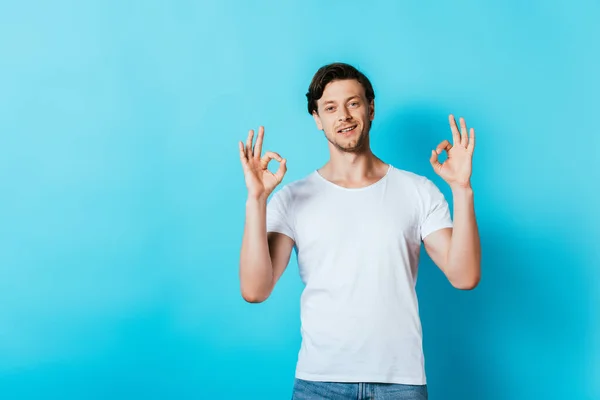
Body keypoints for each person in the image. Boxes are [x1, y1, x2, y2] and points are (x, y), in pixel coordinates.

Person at [238, 62, 481, 400]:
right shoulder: (292, 198)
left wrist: (462, 189)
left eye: (353, 103)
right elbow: (255, 289)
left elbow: (464, 276)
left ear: (371, 108)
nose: (344, 116)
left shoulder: (418, 191)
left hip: (401, 383)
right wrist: (256, 200)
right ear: (317, 118)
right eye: (330, 107)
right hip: (319, 383)